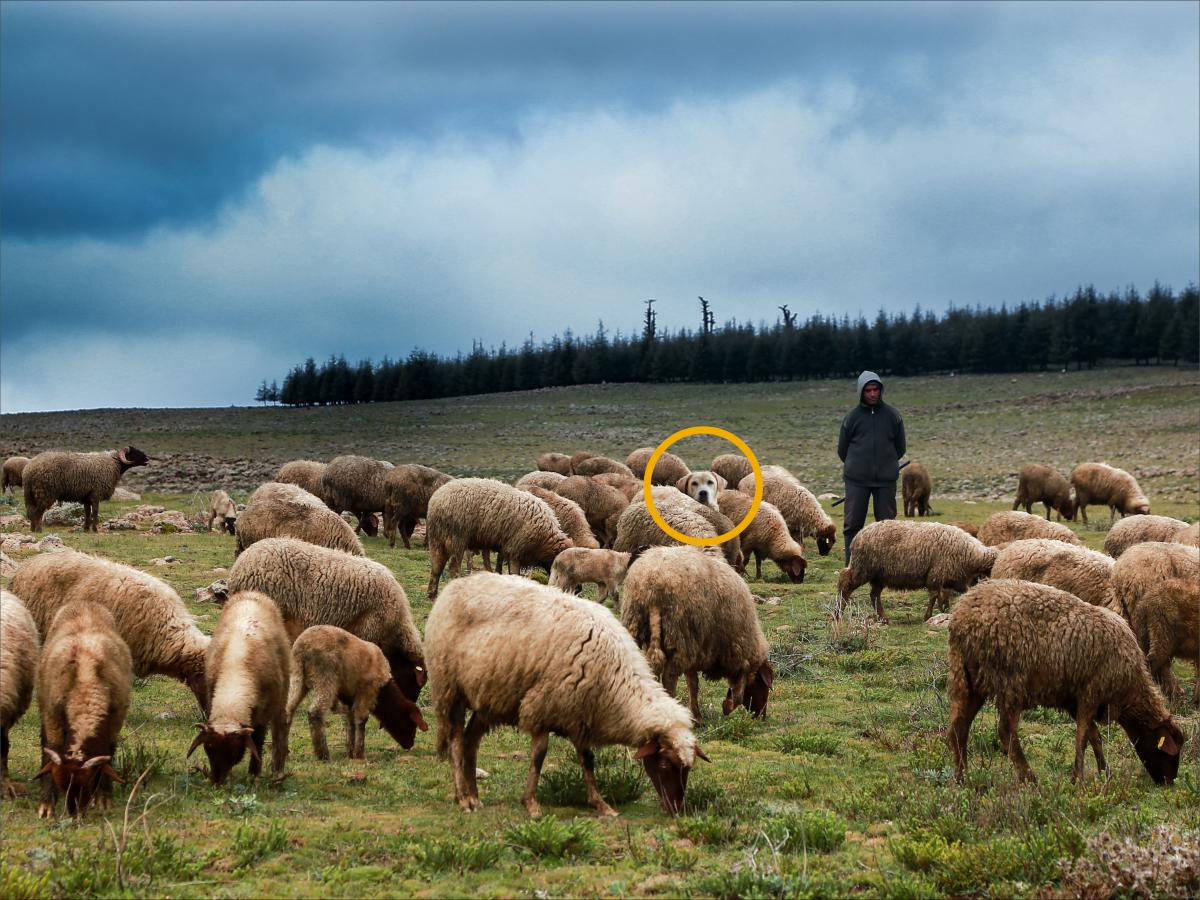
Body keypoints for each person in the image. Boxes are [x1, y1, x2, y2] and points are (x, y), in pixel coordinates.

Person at [837, 370, 905, 564]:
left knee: (887, 526)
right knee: (852, 524)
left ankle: (888, 566)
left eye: (876, 389)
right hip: (857, 481)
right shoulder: (852, 418)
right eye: (868, 390)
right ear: (861, 392)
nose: (873, 394)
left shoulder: (893, 416)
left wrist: (886, 465)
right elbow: (843, 450)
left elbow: (900, 448)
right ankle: (851, 565)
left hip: (885, 481)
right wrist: (858, 467)